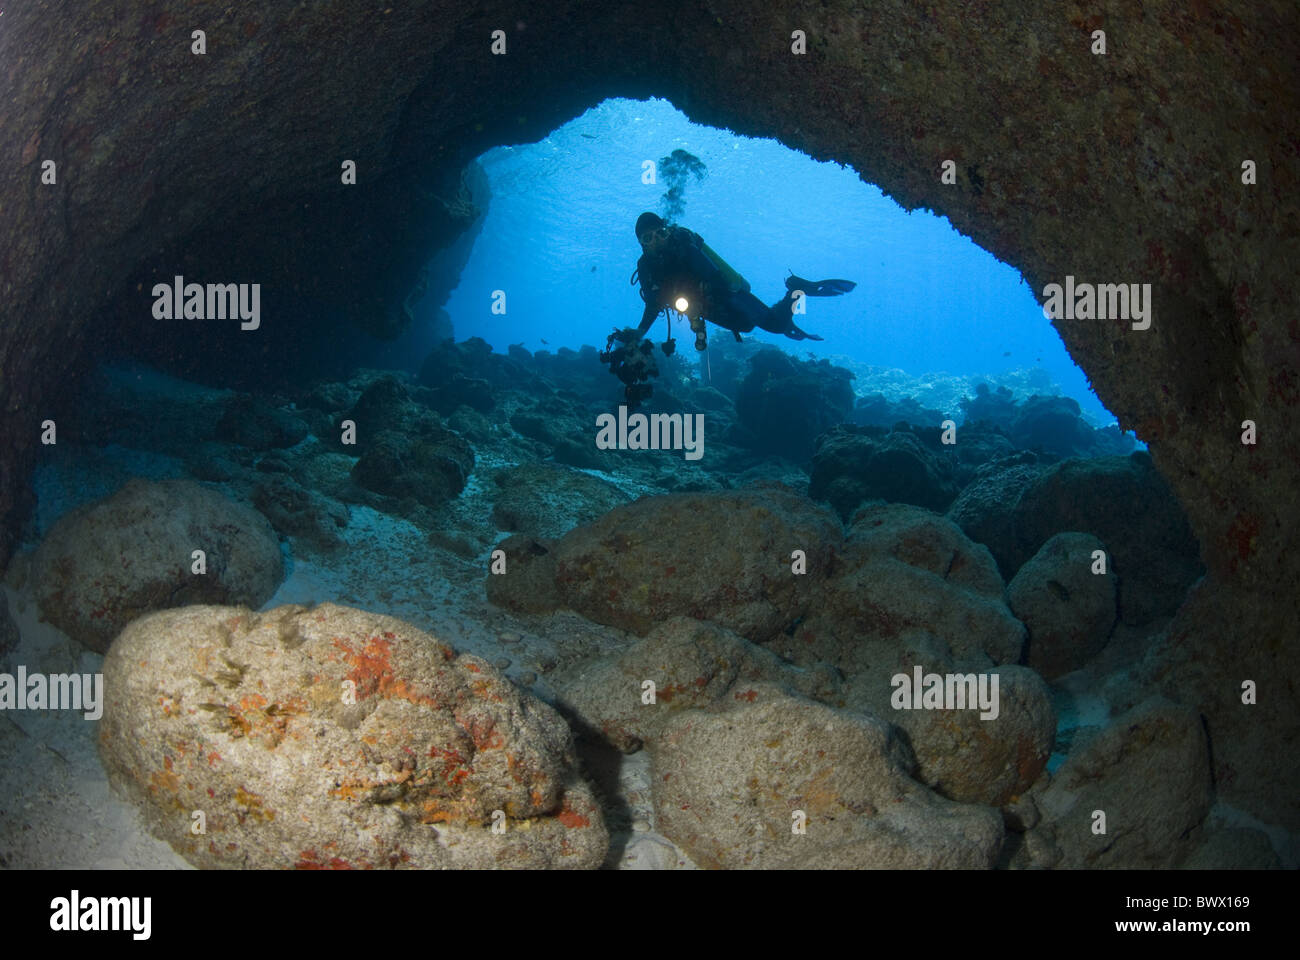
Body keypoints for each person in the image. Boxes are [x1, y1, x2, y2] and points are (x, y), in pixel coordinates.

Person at [629, 212, 855, 351]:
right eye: (648, 238)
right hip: (703, 308)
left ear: (668, 232)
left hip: (727, 294)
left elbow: (715, 276)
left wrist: (702, 294)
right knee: (747, 326)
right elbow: (652, 303)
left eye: (660, 233)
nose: (657, 241)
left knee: (775, 326)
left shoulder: (684, 249)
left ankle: (796, 291)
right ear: (641, 244)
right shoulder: (645, 267)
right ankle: (786, 306)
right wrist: (640, 332)